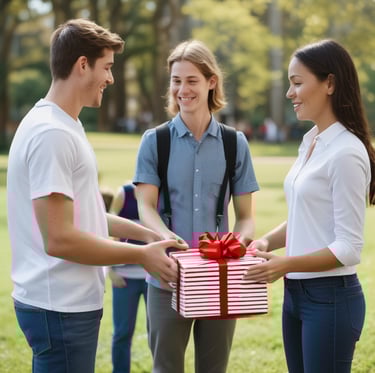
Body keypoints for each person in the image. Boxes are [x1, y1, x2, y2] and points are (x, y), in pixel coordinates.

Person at [6, 18, 186, 373]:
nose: (111, 78)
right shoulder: (51, 134)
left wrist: (147, 234)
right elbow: (59, 238)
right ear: (82, 65)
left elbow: (82, 214)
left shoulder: (65, 125)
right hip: (59, 307)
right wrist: (141, 256)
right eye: (107, 67)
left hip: (64, 305)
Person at [245, 39, 375, 373]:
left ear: (329, 83)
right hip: (297, 295)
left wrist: (283, 264)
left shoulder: (346, 152)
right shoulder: (311, 141)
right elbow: (305, 216)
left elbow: (348, 248)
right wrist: (265, 243)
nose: (290, 93)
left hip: (330, 299)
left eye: (298, 83)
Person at [134, 39, 259, 373]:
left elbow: (246, 218)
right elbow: (145, 206)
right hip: (167, 276)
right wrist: (166, 238)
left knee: (213, 369)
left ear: (211, 82)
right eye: (176, 80)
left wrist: (239, 245)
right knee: (166, 368)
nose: (182, 89)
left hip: (218, 276)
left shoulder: (235, 143)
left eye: (192, 80)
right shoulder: (154, 141)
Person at [108, 182, 148, 373]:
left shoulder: (164, 194)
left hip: (154, 278)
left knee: (159, 333)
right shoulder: (124, 193)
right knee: (122, 333)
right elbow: (108, 232)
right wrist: (110, 270)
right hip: (124, 278)